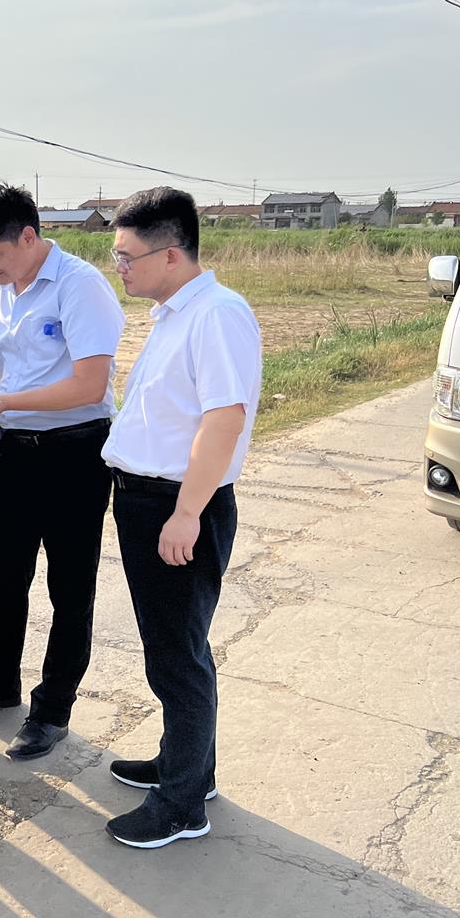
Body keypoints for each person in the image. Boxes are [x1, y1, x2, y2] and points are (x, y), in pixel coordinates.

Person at [100, 187, 261, 849]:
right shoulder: (175, 314)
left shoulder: (216, 316)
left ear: (170, 254)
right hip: (149, 499)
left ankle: (182, 805)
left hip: (177, 504)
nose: (119, 267)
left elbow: (223, 420)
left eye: (126, 256)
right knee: (174, 647)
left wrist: (186, 512)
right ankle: (187, 766)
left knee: (176, 657)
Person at [0, 184, 125, 764]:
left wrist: (3, 403)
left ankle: (52, 709)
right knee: (2, 576)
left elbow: (89, 385)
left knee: (68, 585)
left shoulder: (79, 285)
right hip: (13, 450)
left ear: (28, 236)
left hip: (75, 450)